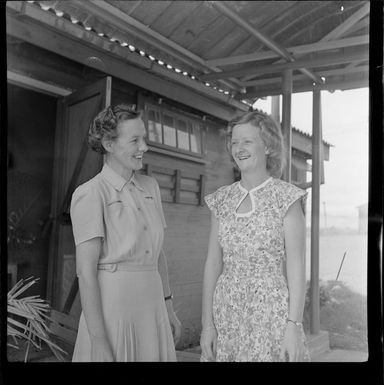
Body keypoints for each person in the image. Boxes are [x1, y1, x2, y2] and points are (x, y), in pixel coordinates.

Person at [70, 104, 181, 362]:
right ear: (109, 144)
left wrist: (168, 307)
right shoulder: (90, 194)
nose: (144, 147)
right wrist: (98, 340)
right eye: (135, 140)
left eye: (144, 138)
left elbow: (158, 255)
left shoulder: (150, 186)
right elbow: (85, 273)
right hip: (114, 311)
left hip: (152, 307)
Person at [200, 110, 310, 362]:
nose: (239, 148)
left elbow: (296, 266)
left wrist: (293, 325)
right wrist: (208, 325)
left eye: (247, 141)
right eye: (234, 142)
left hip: (271, 315)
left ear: (268, 146)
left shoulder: (286, 198)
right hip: (226, 314)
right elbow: (213, 264)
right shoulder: (221, 200)